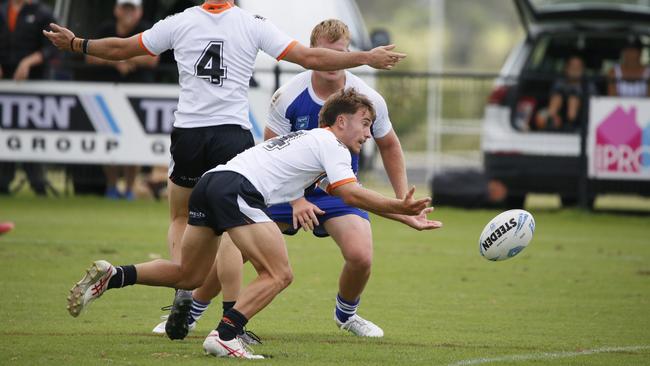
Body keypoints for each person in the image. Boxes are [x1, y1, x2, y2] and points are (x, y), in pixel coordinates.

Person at [44, 0, 405, 341]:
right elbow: (307, 57)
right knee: (240, 239)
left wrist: (77, 43)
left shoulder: (179, 21)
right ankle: (231, 321)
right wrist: (367, 57)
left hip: (188, 135)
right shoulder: (251, 24)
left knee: (182, 219)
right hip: (230, 135)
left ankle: (178, 288)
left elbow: (123, 49)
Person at [65, 89, 442, 359]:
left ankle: (113, 275)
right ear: (340, 121)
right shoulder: (332, 144)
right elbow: (351, 193)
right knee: (279, 274)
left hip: (212, 182)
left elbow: (345, 192)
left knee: (188, 274)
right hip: (237, 189)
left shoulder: (311, 140)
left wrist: (405, 217)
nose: (367, 132)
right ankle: (225, 335)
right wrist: (399, 204)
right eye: (364, 123)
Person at [159, 19, 409, 340]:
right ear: (314, 53)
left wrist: (404, 200)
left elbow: (389, 145)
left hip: (337, 188)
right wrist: (296, 198)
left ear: (349, 53)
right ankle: (192, 311)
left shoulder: (366, 98)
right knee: (236, 251)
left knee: (361, 255)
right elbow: (269, 149)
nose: (333, 61)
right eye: (325, 53)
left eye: (341, 53)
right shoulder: (289, 95)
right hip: (282, 191)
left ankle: (346, 315)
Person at [85, 0, 159, 200]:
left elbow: (152, 59)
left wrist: (121, 57)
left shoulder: (146, 29)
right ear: (117, 9)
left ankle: (128, 188)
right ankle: (111, 186)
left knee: (132, 142)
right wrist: (118, 60)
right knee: (107, 141)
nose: (128, 12)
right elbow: (90, 57)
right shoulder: (106, 28)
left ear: (139, 11)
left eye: (132, 8)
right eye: (125, 7)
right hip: (108, 95)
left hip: (137, 93)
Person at [0, 0, 57, 196]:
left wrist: (29, 62)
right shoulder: (3, 10)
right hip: (5, 86)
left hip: (35, 86)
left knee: (33, 135)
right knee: (5, 133)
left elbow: (53, 47)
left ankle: (38, 182)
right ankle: (3, 181)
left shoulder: (42, 14)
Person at [534, 55, 595, 132]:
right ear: (566, 68)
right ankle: (550, 123)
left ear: (583, 69)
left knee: (573, 98)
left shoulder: (589, 85)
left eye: (578, 66)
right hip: (558, 114)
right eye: (572, 65)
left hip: (581, 115)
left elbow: (593, 105)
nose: (575, 68)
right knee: (556, 97)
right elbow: (553, 98)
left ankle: (570, 125)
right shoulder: (559, 82)